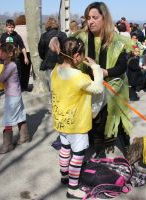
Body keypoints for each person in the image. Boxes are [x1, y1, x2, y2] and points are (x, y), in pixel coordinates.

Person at [49, 2, 132, 158]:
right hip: (89, 86)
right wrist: (53, 39)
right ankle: (98, 153)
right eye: (88, 18)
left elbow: (122, 66)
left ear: (104, 18)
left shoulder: (118, 40)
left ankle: (128, 150)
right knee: (95, 121)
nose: (90, 21)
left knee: (116, 121)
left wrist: (104, 71)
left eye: (95, 17)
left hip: (114, 86)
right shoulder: (82, 36)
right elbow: (65, 41)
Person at [51, 37, 103, 198]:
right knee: (78, 154)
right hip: (77, 124)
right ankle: (73, 188)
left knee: (65, 149)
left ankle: (65, 175)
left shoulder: (55, 71)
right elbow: (98, 89)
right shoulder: (80, 77)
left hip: (61, 120)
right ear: (78, 56)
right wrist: (95, 67)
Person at [0, 43, 30, 154]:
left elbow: (1, 78)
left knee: (7, 120)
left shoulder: (11, 65)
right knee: (19, 115)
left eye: (2, 52)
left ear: (10, 54)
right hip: (15, 94)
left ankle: (7, 145)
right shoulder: (9, 64)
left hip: (12, 97)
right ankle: (24, 136)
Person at [0, 19, 29, 90]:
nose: (11, 29)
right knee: (6, 73)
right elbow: (0, 47)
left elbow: (22, 47)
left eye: (12, 27)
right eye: (9, 27)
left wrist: (25, 57)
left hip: (16, 58)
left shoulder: (17, 36)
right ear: (6, 27)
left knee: (17, 74)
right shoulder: (3, 36)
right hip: (6, 59)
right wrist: (0, 56)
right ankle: (8, 87)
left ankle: (16, 87)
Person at [14, 15, 32, 91]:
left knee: (18, 70)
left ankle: (17, 86)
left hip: (17, 52)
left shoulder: (14, 28)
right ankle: (24, 86)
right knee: (26, 70)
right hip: (27, 51)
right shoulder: (29, 28)